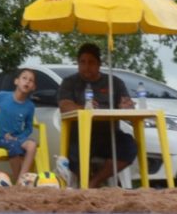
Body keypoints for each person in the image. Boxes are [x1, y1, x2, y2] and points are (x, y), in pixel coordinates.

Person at [57, 43, 137, 188]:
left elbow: (127, 107)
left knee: (129, 146)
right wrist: (83, 108)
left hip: (110, 136)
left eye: (91, 62)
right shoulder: (69, 82)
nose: (86, 66)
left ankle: (94, 182)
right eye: (82, 62)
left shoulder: (115, 83)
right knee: (74, 153)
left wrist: (127, 107)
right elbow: (64, 106)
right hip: (80, 136)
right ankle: (84, 183)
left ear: (99, 64)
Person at [0, 69, 38, 185]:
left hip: (17, 138)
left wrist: (18, 137)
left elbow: (29, 128)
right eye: (24, 78)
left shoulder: (30, 106)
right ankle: (18, 181)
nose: (27, 81)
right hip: (0, 139)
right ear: (16, 81)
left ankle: (21, 179)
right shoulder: (2, 96)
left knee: (32, 145)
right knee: (14, 146)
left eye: (31, 80)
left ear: (33, 87)